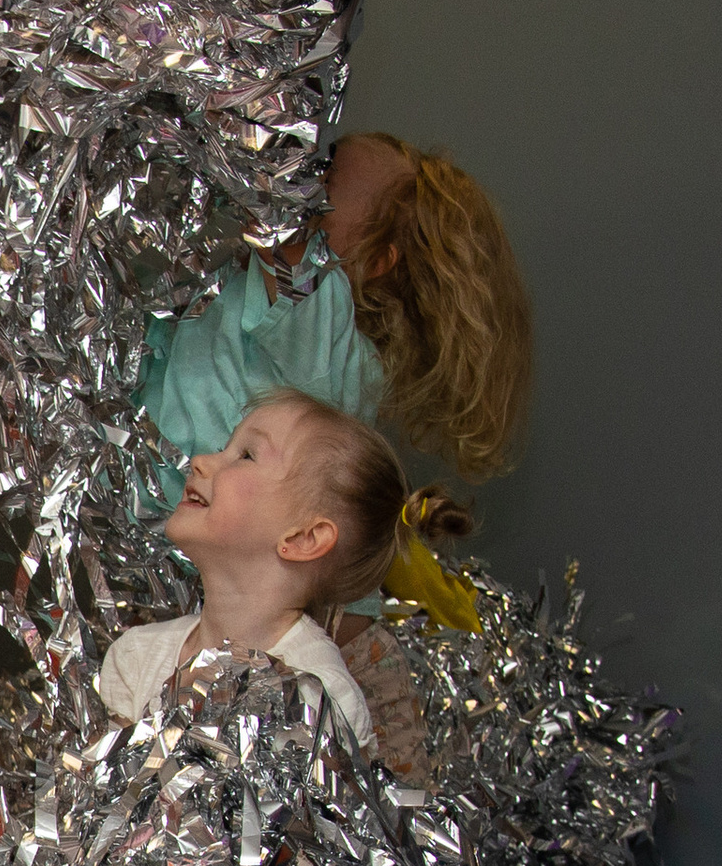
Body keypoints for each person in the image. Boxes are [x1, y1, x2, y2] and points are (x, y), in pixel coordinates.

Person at [139, 133, 530, 624]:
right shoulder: (325, 336)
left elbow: (277, 220)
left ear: (376, 258)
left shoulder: (321, 316)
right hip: (180, 519)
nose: (304, 175)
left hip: (188, 539)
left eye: (324, 180)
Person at [99, 389, 458, 760]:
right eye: (226, 446)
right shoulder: (136, 657)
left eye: (246, 455)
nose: (201, 461)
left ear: (304, 538)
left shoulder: (321, 700)